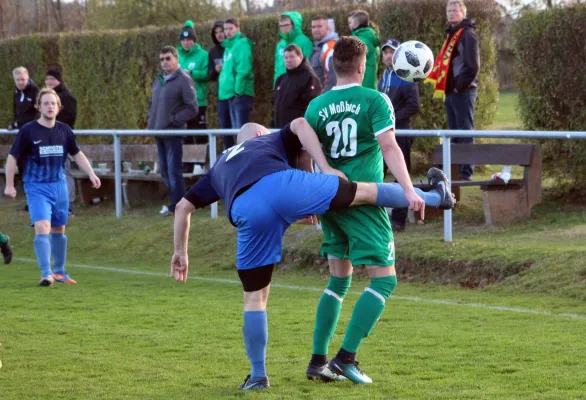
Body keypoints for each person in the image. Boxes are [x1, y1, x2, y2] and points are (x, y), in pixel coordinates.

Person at [170, 118, 454, 390]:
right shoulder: (267, 139)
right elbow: (301, 124)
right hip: (282, 184)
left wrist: (180, 252)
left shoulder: (219, 164)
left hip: (246, 210)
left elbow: (183, 207)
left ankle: (258, 376)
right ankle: (435, 197)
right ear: (259, 135)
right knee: (363, 193)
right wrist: (325, 167)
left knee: (254, 298)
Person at [304, 36, 417, 384]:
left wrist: (311, 197)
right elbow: (389, 147)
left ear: (332, 66)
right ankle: (345, 358)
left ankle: (317, 361)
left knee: (339, 279)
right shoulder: (374, 100)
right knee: (385, 281)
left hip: (327, 199)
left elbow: (306, 156)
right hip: (364, 200)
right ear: (361, 66)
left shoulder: (316, 106)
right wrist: (409, 190)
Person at [3, 88, 101, 285]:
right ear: (38, 107)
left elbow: (77, 154)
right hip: (36, 186)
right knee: (42, 226)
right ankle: (46, 273)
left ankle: (60, 271)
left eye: (53, 103)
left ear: (59, 107)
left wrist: (91, 173)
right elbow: (12, 157)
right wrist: (10, 185)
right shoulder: (28, 131)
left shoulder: (64, 130)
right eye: (45, 103)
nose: (49, 106)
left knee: (58, 228)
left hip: (59, 185)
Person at [426, 0, 480, 181]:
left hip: (463, 91)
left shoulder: (467, 34)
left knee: (465, 132)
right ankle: (454, 172)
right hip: (451, 91)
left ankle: (466, 173)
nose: (451, 13)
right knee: (454, 133)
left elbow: (472, 66)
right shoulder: (452, 34)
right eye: (448, 10)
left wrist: (458, 86)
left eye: (455, 10)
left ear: (463, 13)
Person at [147, 46, 198, 216]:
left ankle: (179, 206)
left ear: (176, 59)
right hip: (159, 132)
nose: (164, 62)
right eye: (162, 59)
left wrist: (174, 120)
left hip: (174, 134)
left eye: (168, 58)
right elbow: (152, 104)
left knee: (173, 170)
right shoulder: (159, 79)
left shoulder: (184, 79)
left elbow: (192, 108)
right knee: (164, 170)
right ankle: (176, 204)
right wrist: (151, 120)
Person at [378, 38, 421, 231]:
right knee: (378, 173)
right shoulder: (384, 76)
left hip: (400, 133)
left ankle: (398, 220)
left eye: (392, 52)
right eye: (385, 52)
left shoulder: (405, 75)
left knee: (400, 175)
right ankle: (376, 216)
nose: (388, 55)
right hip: (384, 133)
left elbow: (413, 105)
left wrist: (392, 120)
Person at [45, 68, 78, 216]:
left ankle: (69, 204)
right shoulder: (46, 97)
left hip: (62, 139)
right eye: (47, 79)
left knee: (65, 172)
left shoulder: (67, 97)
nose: (49, 82)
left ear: (58, 80)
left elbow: (70, 118)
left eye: (52, 79)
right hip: (47, 139)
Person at [218, 18, 255, 133]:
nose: (227, 32)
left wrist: (237, 92)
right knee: (235, 133)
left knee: (241, 133)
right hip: (230, 95)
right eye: (225, 29)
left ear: (238, 28)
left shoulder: (241, 45)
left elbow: (243, 70)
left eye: (230, 28)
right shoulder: (228, 47)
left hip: (240, 95)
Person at [272, 44, 322, 128]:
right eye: (286, 57)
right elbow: (274, 105)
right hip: (279, 131)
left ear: (300, 57)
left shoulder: (309, 78)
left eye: (292, 57)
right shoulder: (281, 79)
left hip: (298, 132)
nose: (288, 60)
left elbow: (312, 108)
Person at [177, 20, 209, 145]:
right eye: (183, 40)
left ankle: (202, 164)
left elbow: (208, 74)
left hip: (198, 100)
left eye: (189, 39)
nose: (186, 43)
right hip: (181, 102)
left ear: (194, 40)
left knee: (200, 133)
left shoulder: (203, 55)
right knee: (185, 135)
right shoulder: (177, 55)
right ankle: (188, 164)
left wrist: (192, 73)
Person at [208, 20, 234, 149]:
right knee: (225, 128)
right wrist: (215, 71)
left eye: (221, 31)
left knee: (237, 127)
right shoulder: (213, 52)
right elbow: (210, 75)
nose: (219, 34)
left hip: (234, 93)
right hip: (221, 95)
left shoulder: (233, 47)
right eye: (216, 32)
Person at [274, 12, 313, 86]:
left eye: (286, 25)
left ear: (294, 25)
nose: (283, 28)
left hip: (298, 86)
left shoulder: (305, 42)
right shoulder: (280, 45)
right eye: (281, 26)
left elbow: (309, 66)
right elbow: (277, 68)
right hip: (281, 86)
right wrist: (275, 87)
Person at [348, 10, 380, 90]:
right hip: (372, 83)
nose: (349, 25)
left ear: (355, 24)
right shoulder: (372, 38)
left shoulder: (357, 41)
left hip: (360, 84)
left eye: (350, 22)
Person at [309, 16, 339, 93]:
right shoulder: (319, 46)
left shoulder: (330, 46)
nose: (316, 30)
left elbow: (333, 77)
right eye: (313, 27)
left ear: (327, 28)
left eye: (319, 26)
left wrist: (324, 98)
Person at [9, 67, 39, 131]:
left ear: (27, 78)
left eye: (23, 79)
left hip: (34, 130)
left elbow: (40, 112)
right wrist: (13, 124)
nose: (20, 82)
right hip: (21, 131)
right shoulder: (16, 93)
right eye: (18, 80)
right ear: (14, 80)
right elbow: (16, 112)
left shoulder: (35, 91)